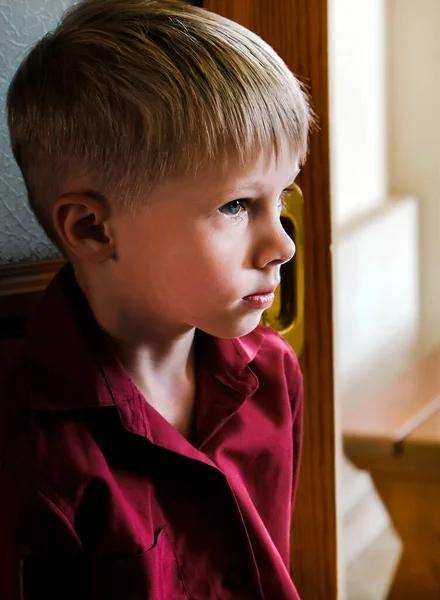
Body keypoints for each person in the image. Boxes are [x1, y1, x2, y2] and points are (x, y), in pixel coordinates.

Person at [0, 0, 311, 598]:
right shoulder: (35, 455)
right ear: (93, 229)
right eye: (236, 205)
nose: (282, 246)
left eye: (283, 196)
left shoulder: (272, 372)